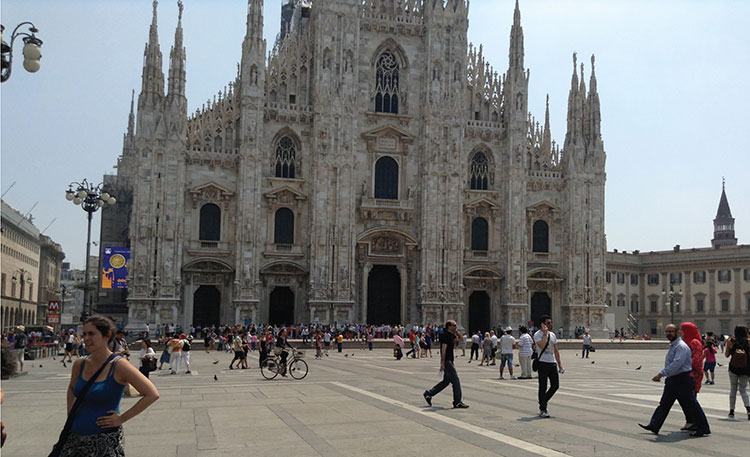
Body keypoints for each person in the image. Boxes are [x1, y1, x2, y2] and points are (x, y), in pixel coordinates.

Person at [56, 315, 159, 456]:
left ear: (107, 335)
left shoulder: (119, 365)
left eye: (91, 334)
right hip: (74, 438)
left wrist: (121, 418)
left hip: (104, 441)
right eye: (84, 334)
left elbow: (152, 394)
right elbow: (72, 388)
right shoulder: (80, 363)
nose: (86, 338)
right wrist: (70, 413)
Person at [638, 324, 711, 437]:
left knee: (692, 404)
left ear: (677, 332)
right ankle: (654, 425)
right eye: (667, 332)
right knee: (664, 403)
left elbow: (677, 363)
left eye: (671, 331)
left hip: (683, 379)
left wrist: (661, 374)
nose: (669, 334)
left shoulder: (681, 346)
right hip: (673, 379)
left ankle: (703, 428)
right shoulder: (674, 345)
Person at [423, 320, 468, 409]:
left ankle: (429, 393)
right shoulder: (445, 336)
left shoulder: (451, 335)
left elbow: (461, 339)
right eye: (454, 325)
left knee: (446, 381)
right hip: (447, 361)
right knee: (456, 380)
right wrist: (442, 363)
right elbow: (443, 350)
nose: (456, 327)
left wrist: (457, 332)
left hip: (450, 360)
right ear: (449, 326)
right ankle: (457, 402)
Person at [534, 316, 563, 417]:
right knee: (543, 386)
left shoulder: (553, 335)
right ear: (543, 324)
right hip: (542, 362)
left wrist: (560, 365)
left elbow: (555, 350)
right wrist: (545, 334)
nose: (550, 325)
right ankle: (543, 408)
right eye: (548, 323)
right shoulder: (537, 335)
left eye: (550, 323)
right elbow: (542, 345)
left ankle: (543, 401)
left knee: (555, 385)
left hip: (552, 362)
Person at [724, 325, 750, 420]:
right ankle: (748, 408)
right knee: (743, 390)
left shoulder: (731, 341)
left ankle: (731, 411)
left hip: (733, 368)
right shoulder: (748, 342)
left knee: (733, 389)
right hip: (746, 369)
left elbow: (726, 355)